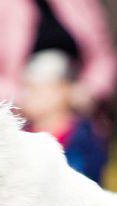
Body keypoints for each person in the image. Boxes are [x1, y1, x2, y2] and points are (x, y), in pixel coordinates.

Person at [0, 0, 117, 112]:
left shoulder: (79, 4)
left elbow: (103, 56)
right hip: (23, 121)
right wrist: (24, 98)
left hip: (75, 116)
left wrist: (87, 90)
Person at [19, 49, 107, 183]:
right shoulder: (21, 137)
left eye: (36, 88)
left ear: (63, 90)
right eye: (26, 87)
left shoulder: (86, 138)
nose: (27, 95)